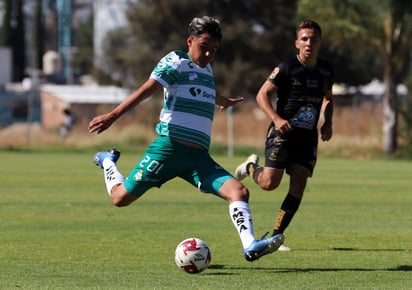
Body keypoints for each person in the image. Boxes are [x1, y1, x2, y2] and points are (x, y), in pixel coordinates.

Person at [88, 16, 284, 262]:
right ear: (189, 41)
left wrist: (223, 100)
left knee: (239, 191)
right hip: (168, 149)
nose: (209, 54)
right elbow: (146, 89)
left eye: (214, 50)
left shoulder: (207, 68)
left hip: (198, 158)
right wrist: (113, 115)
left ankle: (250, 245)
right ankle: (108, 161)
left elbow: (201, 91)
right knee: (120, 199)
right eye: (204, 47)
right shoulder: (176, 61)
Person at [235, 20, 334, 251]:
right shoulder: (287, 67)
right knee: (269, 184)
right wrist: (277, 119)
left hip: (307, 137)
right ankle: (250, 166)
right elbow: (262, 95)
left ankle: (277, 236)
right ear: (297, 43)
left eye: (314, 39)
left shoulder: (327, 70)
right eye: (305, 39)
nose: (309, 43)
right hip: (282, 134)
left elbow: (328, 98)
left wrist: (328, 122)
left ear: (320, 42)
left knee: (298, 183)